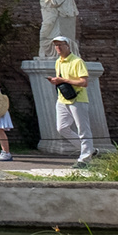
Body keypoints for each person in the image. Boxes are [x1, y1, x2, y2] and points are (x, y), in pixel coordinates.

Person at [45, 36, 95, 166]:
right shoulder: (58, 62)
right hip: (62, 99)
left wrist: (63, 81)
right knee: (62, 128)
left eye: (60, 45)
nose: (58, 48)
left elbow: (84, 82)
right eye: (56, 45)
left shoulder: (77, 61)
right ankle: (90, 150)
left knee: (83, 128)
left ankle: (85, 159)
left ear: (68, 45)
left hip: (78, 98)